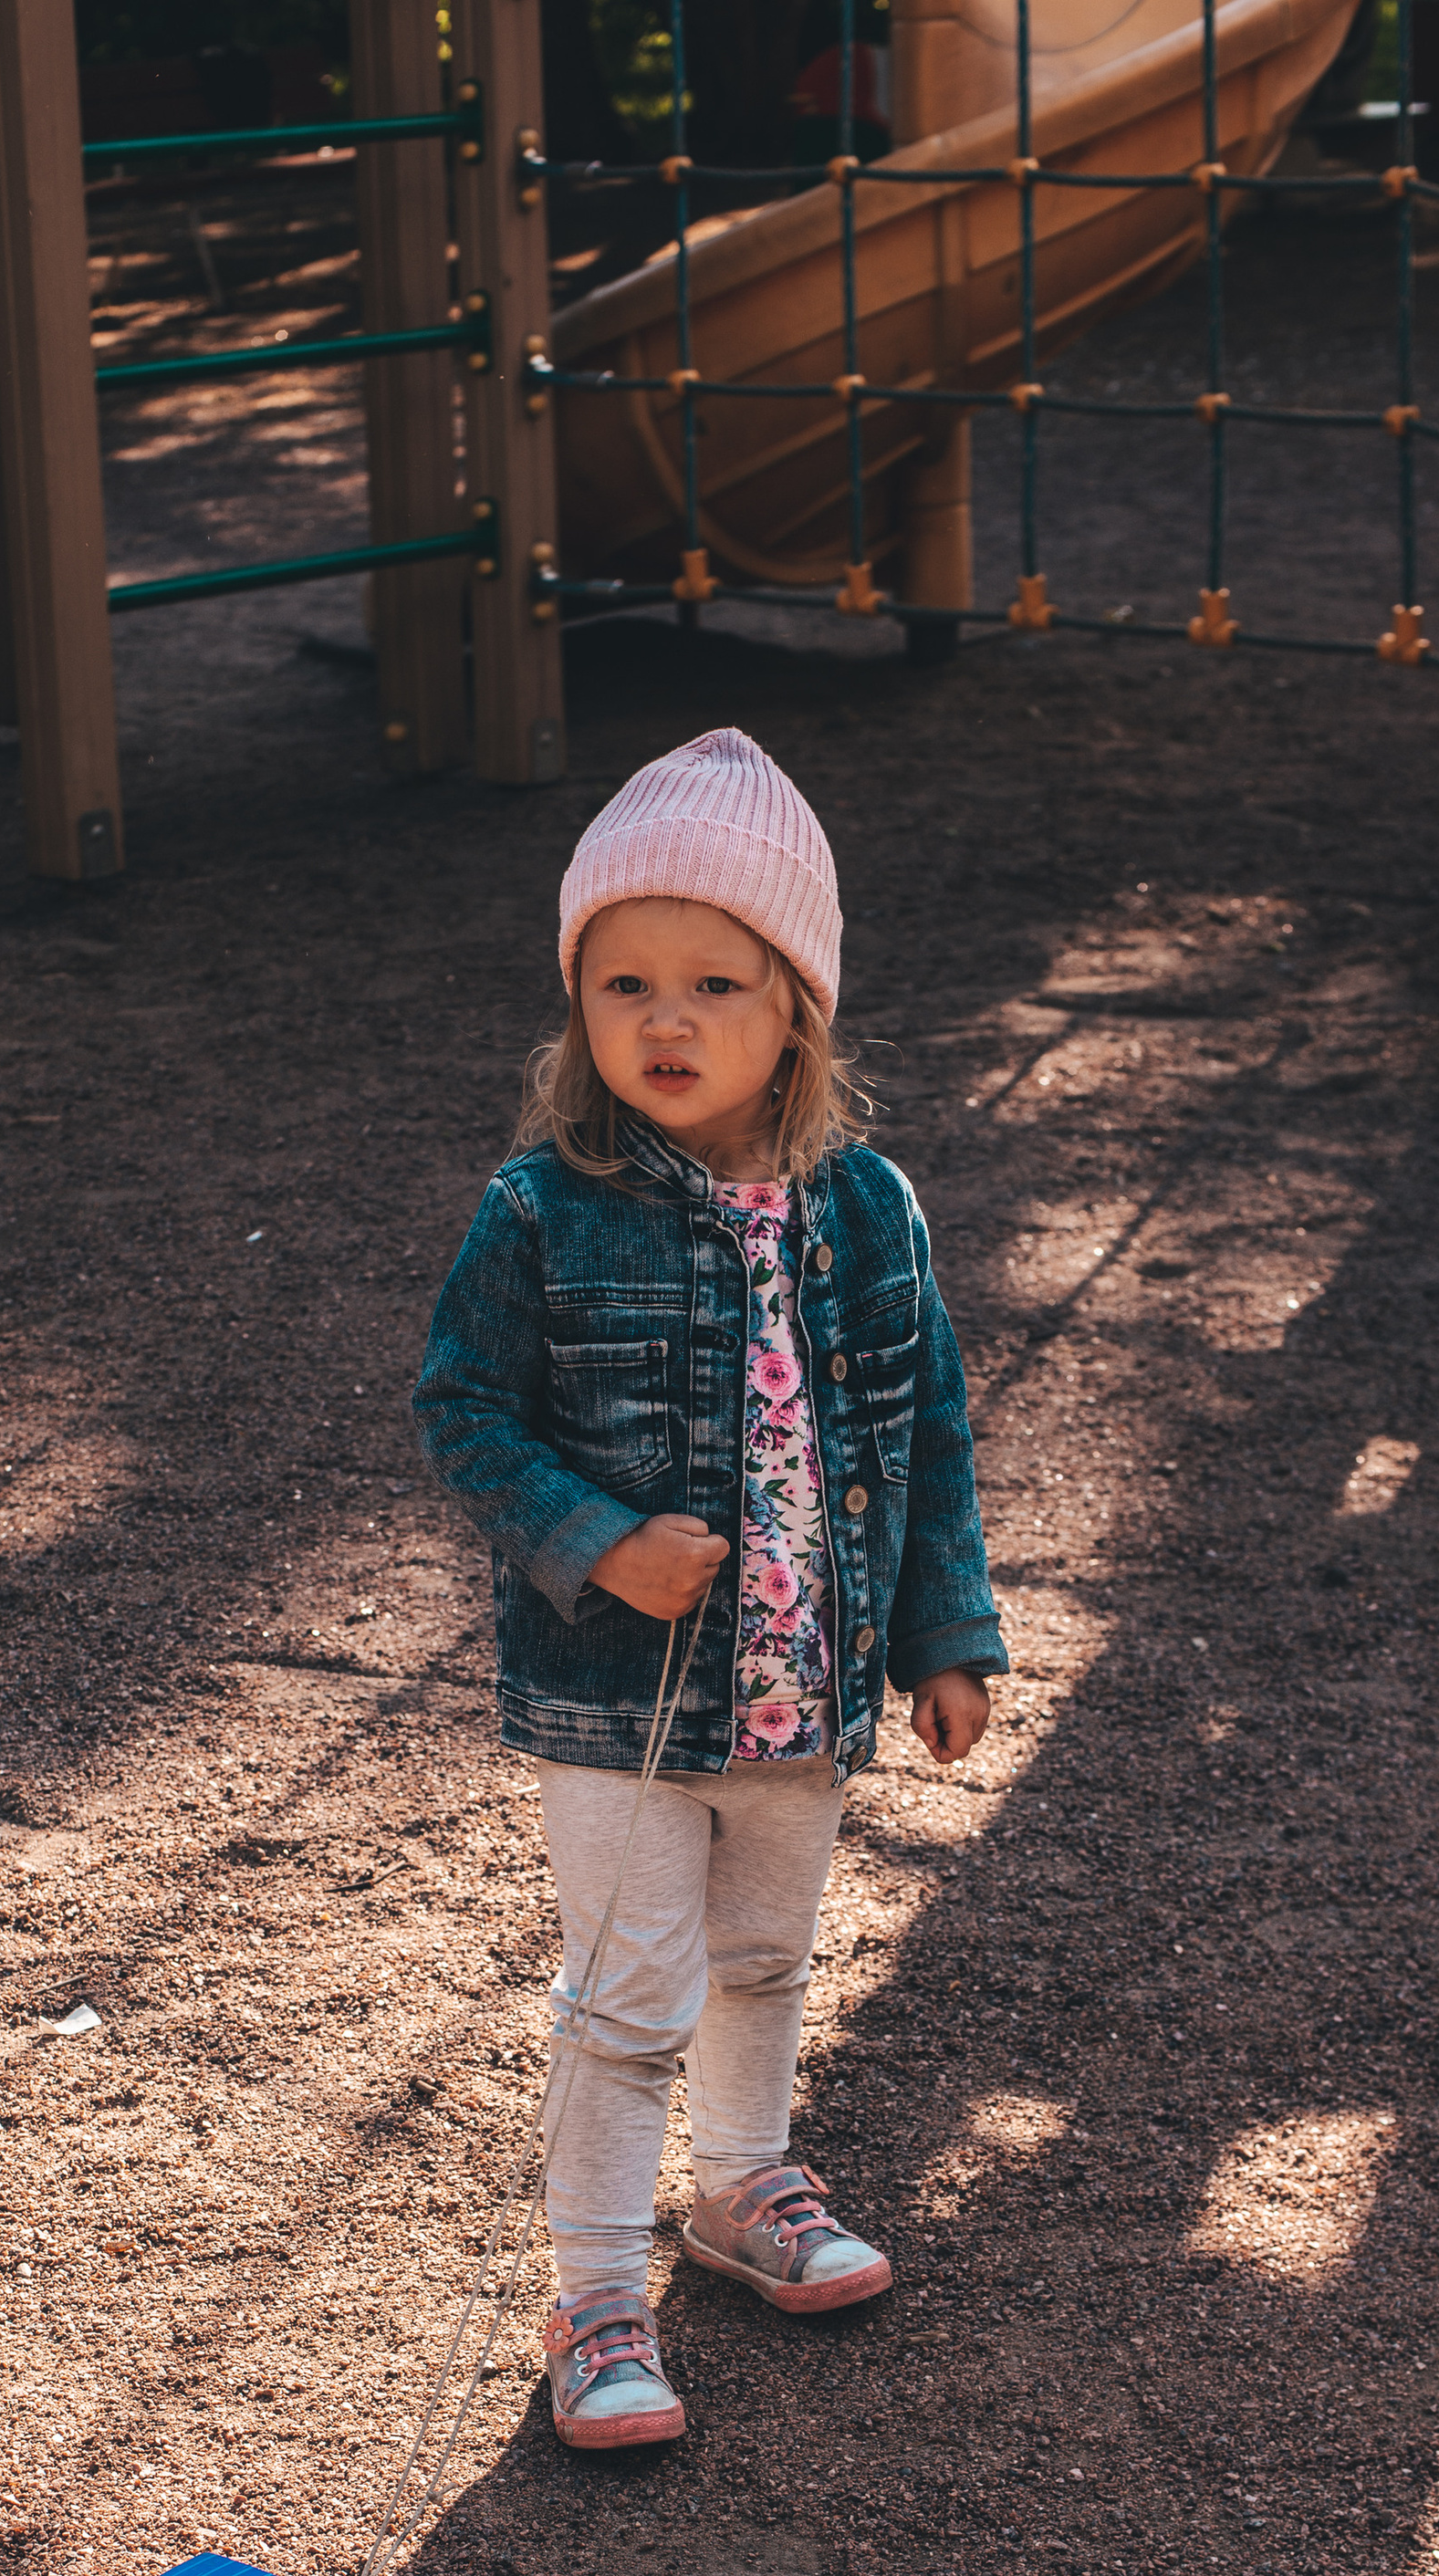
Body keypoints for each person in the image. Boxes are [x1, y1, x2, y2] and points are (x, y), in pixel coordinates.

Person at [414, 726, 1006, 2447]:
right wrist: (595, 1537)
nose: (664, 1021)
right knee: (628, 1994)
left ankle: (745, 2187)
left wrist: (944, 1634)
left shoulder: (869, 1209)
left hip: (802, 1690)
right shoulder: (545, 1210)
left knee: (764, 1959)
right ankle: (598, 2289)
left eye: (711, 985)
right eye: (624, 985)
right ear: (578, 1007)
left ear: (795, 1008)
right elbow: (462, 1409)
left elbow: (930, 1424)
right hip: (618, 1702)